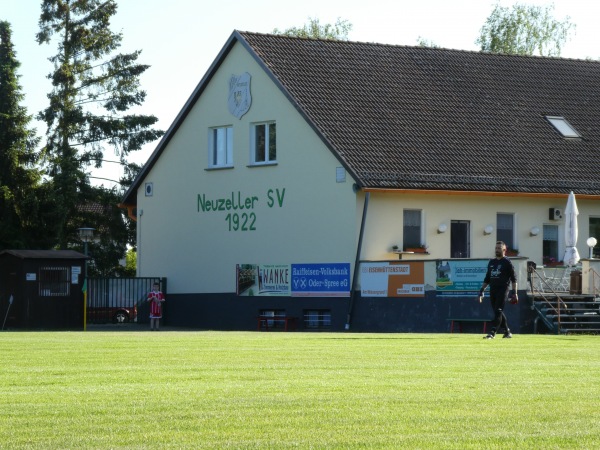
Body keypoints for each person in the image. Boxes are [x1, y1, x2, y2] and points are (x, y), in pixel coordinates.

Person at [479, 241, 518, 339]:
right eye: (496, 248)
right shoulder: (492, 262)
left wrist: (515, 293)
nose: (497, 250)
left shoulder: (507, 262)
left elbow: (514, 279)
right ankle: (507, 332)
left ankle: (492, 333)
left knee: (498, 310)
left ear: (504, 250)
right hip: (493, 290)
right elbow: (487, 278)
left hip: (503, 289)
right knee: (498, 312)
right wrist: (481, 290)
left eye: (499, 248)